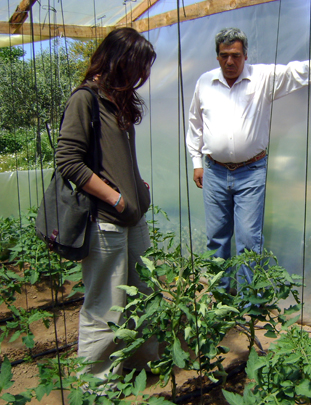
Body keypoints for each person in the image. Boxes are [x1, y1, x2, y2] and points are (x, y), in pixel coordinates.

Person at [186, 27, 311, 291]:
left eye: (235, 55)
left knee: (249, 239)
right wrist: (196, 163)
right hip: (214, 171)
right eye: (224, 55)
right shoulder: (205, 82)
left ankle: (249, 302)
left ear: (245, 55)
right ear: (217, 57)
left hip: (250, 172)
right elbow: (195, 123)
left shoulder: (263, 77)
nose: (230, 61)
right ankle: (221, 297)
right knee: (217, 239)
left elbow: (297, 72)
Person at [56, 27, 158, 386]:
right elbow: (69, 161)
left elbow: (117, 158)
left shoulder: (119, 100)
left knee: (144, 295)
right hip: (105, 222)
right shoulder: (85, 99)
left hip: (134, 220)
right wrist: (115, 196)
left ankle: (142, 365)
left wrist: (136, 186)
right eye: (137, 68)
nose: (140, 78)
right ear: (118, 61)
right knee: (105, 307)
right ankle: (99, 385)